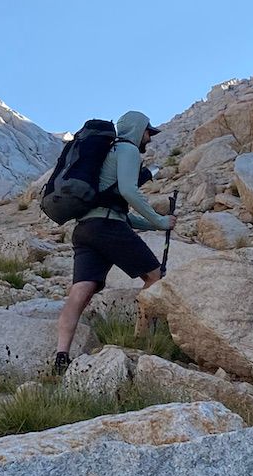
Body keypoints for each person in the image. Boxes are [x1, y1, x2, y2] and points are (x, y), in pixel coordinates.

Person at [53, 110, 172, 371]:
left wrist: (154, 222)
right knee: (154, 276)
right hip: (107, 227)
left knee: (80, 293)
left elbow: (120, 214)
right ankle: (142, 341)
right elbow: (130, 192)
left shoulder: (107, 155)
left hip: (85, 229)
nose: (149, 138)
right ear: (138, 129)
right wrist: (161, 222)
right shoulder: (127, 149)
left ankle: (61, 355)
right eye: (148, 132)